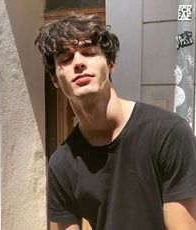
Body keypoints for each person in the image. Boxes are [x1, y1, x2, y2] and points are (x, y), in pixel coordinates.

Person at [35, 13, 196, 230]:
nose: (79, 63)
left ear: (110, 64)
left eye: (89, 52)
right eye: (65, 59)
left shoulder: (168, 134)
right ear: (55, 79)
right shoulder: (61, 164)